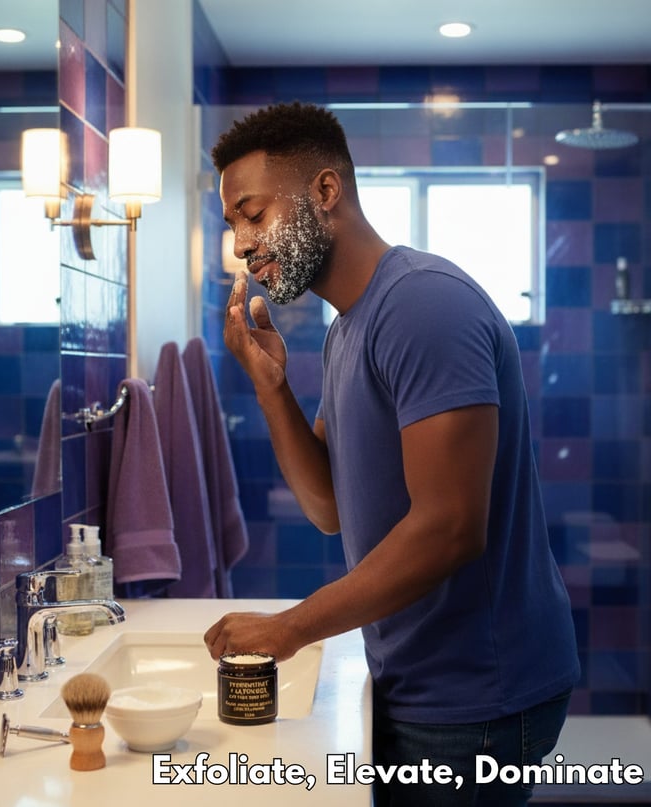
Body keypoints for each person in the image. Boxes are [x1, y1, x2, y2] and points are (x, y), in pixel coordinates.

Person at [203, 102, 580, 807]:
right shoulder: (347, 331)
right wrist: (272, 389)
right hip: (421, 681)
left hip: (477, 698)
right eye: (233, 225)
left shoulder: (422, 305)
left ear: (324, 190)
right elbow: (328, 510)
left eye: (253, 213)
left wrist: (288, 627)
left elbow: (450, 527)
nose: (242, 245)